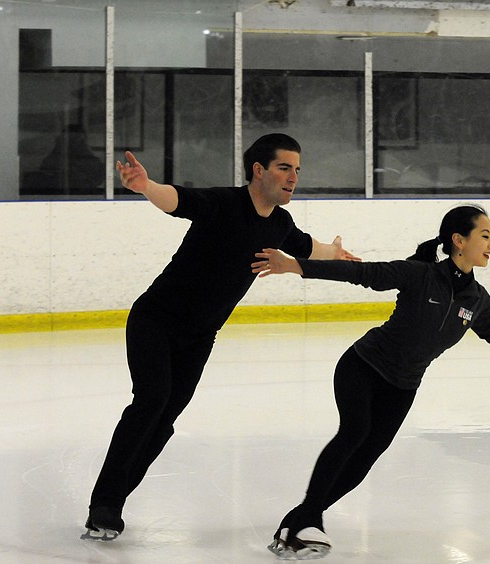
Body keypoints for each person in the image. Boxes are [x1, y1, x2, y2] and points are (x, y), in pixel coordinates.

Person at [82, 133, 359, 542]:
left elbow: (305, 246)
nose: (293, 177)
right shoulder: (225, 204)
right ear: (259, 170)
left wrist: (334, 252)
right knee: (151, 401)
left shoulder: (280, 224)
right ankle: (103, 506)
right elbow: (180, 201)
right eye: (284, 167)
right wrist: (146, 187)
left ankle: (113, 499)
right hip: (156, 321)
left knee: (165, 419)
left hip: (200, 336)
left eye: (297, 170)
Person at [251, 204, 490, 560]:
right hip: (364, 366)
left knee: (366, 456)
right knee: (354, 432)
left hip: (403, 386)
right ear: (458, 241)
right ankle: (309, 519)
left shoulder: (476, 300)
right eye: (485, 235)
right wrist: (296, 265)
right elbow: (362, 274)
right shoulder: (420, 275)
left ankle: (298, 520)